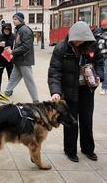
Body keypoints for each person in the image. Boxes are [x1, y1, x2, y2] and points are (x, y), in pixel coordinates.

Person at [48, 21, 104, 163]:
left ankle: (88, 149)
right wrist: (56, 91)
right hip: (68, 90)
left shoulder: (92, 45)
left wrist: (98, 76)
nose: (78, 43)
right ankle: (70, 150)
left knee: (87, 120)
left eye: (81, 40)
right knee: (71, 122)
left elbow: (99, 63)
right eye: (76, 40)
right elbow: (54, 71)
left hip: (86, 89)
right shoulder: (61, 48)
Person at [1, 13, 38, 102]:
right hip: (18, 59)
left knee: (29, 81)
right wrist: (13, 52)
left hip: (24, 60)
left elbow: (26, 46)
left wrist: (12, 52)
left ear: (21, 20)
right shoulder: (19, 30)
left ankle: (36, 100)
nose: (14, 21)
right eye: (13, 19)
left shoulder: (25, 30)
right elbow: (18, 44)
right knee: (13, 78)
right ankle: (7, 93)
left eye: (16, 19)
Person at [93, 19, 107, 94]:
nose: (103, 27)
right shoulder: (97, 31)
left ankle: (105, 87)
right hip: (101, 54)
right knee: (105, 71)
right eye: (103, 26)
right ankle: (104, 87)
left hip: (104, 54)